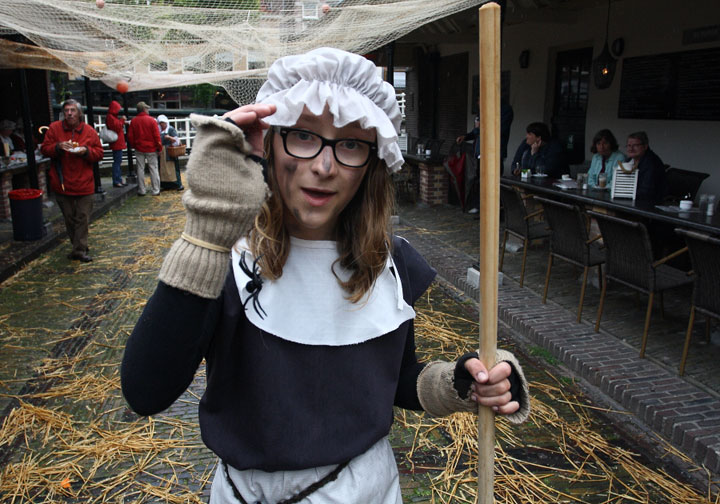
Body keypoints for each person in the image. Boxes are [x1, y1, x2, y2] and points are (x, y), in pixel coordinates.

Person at [121, 47, 530, 504]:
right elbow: (145, 392)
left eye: (351, 143)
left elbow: (393, 381)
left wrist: (461, 382)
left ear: (371, 165)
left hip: (361, 491)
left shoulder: (389, 261)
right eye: (303, 135)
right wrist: (208, 229)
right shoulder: (226, 259)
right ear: (270, 144)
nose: (324, 165)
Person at [40, 99, 103, 262]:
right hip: (63, 183)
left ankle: (79, 249)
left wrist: (85, 151)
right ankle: (78, 244)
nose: (69, 113)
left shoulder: (89, 131)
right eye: (66, 110)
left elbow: (99, 153)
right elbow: (44, 149)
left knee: (82, 216)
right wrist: (58, 147)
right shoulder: (54, 129)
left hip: (84, 183)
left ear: (79, 113)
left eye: (73, 110)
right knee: (69, 218)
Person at [127, 101, 162, 196]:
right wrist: (159, 148)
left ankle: (142, 190)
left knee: (140, 168)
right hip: (151, 148)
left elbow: (130, 136)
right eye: (147, 108)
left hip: (139, 148)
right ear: (144, 109)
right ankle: (155, 190)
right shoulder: (152, 121)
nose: (148, 110)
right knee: (153, 168)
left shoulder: (133, 121)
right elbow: (156, 136)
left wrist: (135, 145)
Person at [625, 131, 667, 204]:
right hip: (632, 200)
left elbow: (646, 192)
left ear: (645, 146)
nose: (631, 149)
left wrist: (625, 194)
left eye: (635, 145)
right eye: (629, 145)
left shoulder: (652, 163)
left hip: (649, 204)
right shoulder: (628, 161)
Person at [157, 114, 184, 191]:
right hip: (162, 152)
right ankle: (166, 184)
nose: (162, 124)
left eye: (163, 123)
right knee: (163, 168)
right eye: (161, 123)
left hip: (169, 151)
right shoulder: (159, 130)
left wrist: (169, 138)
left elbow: (177, 141)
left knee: (173, 167)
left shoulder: (170, 129)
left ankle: (178, 184)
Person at [106, 100, 128, 188]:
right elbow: (117, 127)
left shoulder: (111, 117)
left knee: (118, 161)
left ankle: (118, 179)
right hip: (117, 143)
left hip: (117, 142)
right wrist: (122, 120)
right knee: (117, 162)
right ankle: (117, 180)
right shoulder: (111, 117)